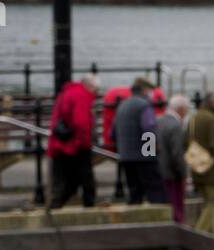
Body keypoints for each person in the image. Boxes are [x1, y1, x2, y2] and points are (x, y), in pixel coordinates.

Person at [47, 73, 100, 209]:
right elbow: (81, 122)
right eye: (95, 90)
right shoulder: (81, 95)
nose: (96, 93)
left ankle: (55, 206)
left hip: (60, 145)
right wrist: (86, 143)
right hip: (76, 145)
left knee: (68, 181)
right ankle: (89, 206)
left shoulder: (66, 93)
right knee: (86, 179)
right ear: (89, 86)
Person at [112, 76, 166, 205]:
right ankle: (161, 221)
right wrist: (152, 154)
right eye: (150, 91)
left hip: (126, 156)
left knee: (134, 193)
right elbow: (148, 129)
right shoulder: (144, 105)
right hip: (143, 157)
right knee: (157, 191)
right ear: (144, 90)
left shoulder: (122, 105)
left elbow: (113, 133)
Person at [187, 92, 214, 235]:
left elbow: (185, 143)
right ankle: (199, 234)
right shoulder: (212, 120)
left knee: (208, 202)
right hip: (212, 169)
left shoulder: (194, 118)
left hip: (196, 167)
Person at [156, 94, 189, 223]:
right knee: (176, 208)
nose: (186, 113)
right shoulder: (176, 126)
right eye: (186, 109)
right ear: (180, 109)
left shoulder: (155, 121)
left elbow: (146, 149)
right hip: (172, 174)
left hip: (157, 172)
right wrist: (184, 174)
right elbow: (177, 154)